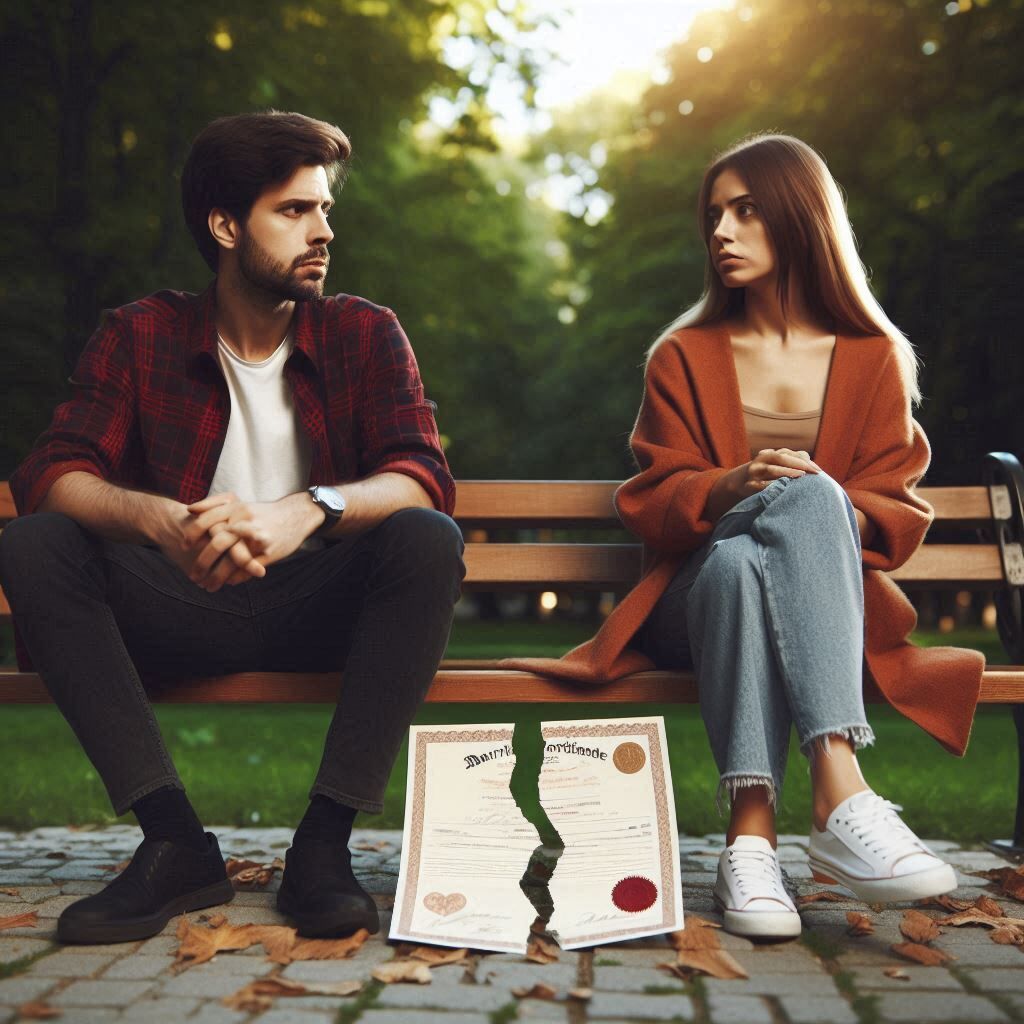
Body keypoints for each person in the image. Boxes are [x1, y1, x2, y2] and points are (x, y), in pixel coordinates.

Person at [0, 110, 464, 945]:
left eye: (325, 209)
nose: (323, 231)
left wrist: (306, 509)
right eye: (294, 211)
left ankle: (324, 846)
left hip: (321, 607)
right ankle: (175, 842)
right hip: (182, 606)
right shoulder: (138, 333)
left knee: (427, 537)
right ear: (224, 225)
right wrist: (163, 522)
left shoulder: (366, 331)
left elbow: (422, 475)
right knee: (33, 541)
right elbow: (52, 472)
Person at [505, 133, 984, 939]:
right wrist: (729, 485)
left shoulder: (874, 359)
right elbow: (653, 503)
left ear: (800, 218)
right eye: (715, 214)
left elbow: (895, 511)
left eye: (747, 210)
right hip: (681, 607)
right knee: (757, 528)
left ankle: (751, 843)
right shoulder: (682, 355)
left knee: (753, 551)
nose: (721, 230)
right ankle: (840, 790)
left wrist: (811, 510)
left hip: (805, 599)